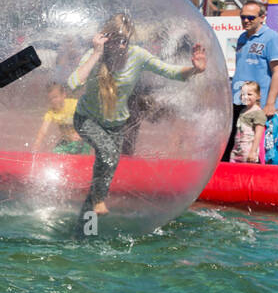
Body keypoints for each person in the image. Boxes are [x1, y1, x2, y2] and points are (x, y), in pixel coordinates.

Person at [67, 13, 206, 219]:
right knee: (108, 154)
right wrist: (97, 52)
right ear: (106, 37)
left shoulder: (137, 55)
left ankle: (89, 215)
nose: (121, 46)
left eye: (125, 40)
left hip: (116, 123)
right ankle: (97, 201)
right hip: (86, 119)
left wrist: (194, 69)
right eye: (116, 40)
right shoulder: (94, 55)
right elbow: (73, 83)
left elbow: (170, 71)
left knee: (108, 164)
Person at [222, 0, 278, 161]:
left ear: (262, 17)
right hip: (238, 101)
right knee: (235, 145)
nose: (246, 21)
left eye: (251, 17)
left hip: (258, 104)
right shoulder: (242, 38)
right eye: (243, 17)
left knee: (256, 149)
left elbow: (277, 71)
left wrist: (270, 103)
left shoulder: (272, 38)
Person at [32, 82, 89, 154]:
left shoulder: (74, 105)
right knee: (56, 152)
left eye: (55, 97)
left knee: (77, 150)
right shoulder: (51, 113)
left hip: (81, 139)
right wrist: (37, 145)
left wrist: (79, 133)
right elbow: (43, 131)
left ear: (64, 95)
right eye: (50, 99)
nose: (53, 101)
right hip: (66, 140)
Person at [230, 81, 268, 163]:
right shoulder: (243, 110)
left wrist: (253, 151)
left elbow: (258, 134)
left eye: (249, 94)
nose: (245, 97)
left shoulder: (258, 113)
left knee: (245, 173)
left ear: (258, 96)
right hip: (237, 148)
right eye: (243, 94)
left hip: (248, 150)